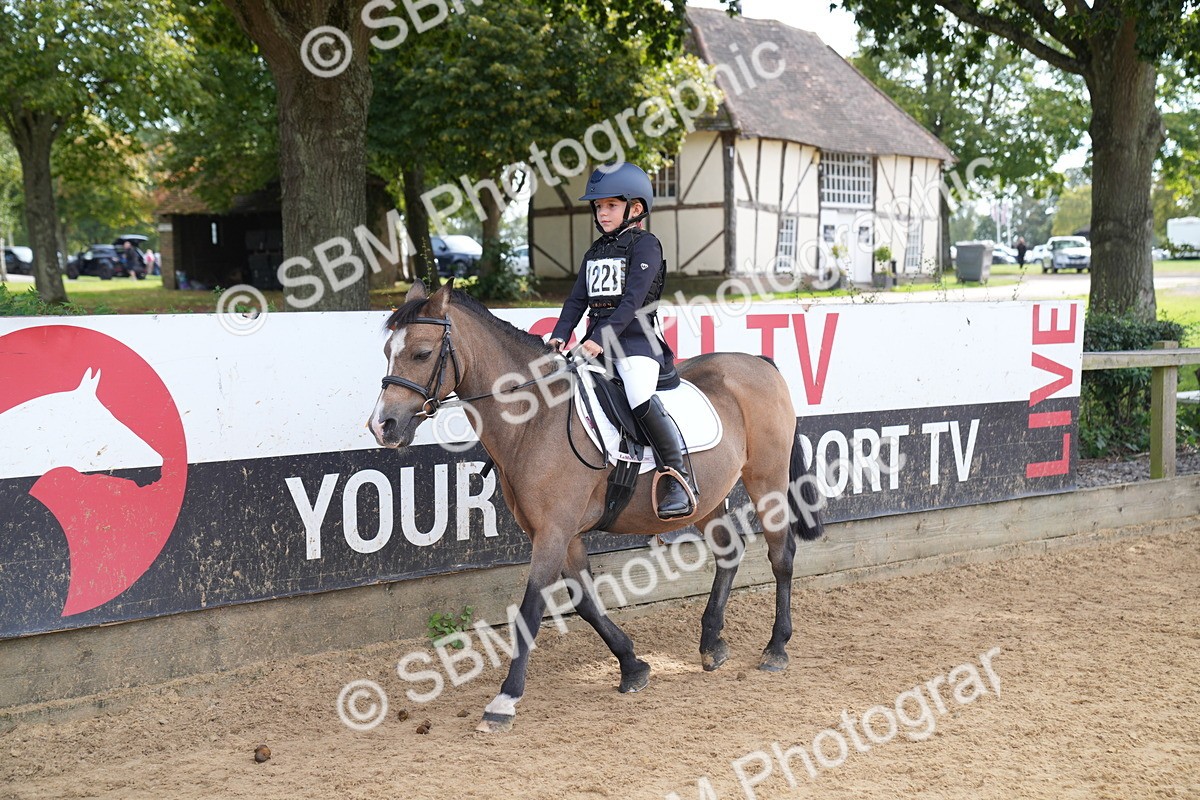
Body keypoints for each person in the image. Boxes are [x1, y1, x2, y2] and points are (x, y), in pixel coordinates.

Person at [548, 163, 696, 519]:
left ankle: (676, 476)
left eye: (610, 205)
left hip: (636, 345)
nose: (602, 213)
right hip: (594, 345)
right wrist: (559, 334)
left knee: (638, 394)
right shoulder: (595, 252)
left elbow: (631, 301)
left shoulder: (647, 246)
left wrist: (600, 337)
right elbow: (576, 301)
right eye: (598, 207)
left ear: (635, 208)